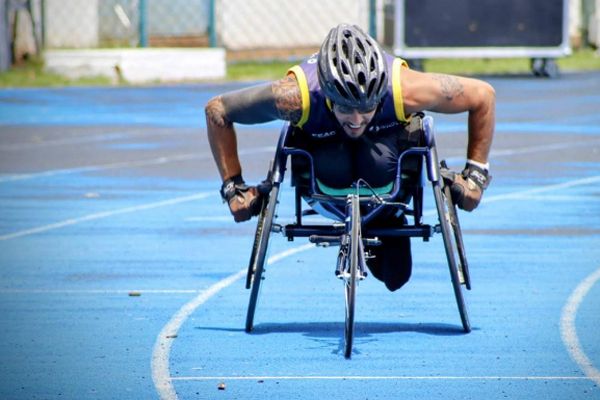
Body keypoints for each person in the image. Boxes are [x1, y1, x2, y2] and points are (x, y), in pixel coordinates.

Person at [205, 23, 495, 292]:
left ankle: (387, 216)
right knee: (335, 158)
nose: (356, 119)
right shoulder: (295, 96)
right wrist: (234, 188)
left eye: (367, 108)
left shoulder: (405, 88)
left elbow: (483, 96)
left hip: (388, 182)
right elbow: (217, 110)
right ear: (328, 94)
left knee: (396, 277)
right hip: (322, 180)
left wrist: (475, 177)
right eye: (345, 108)